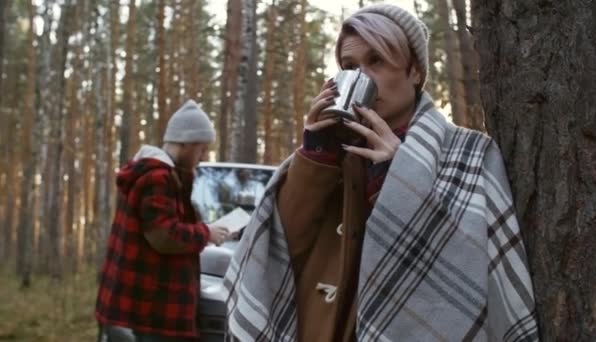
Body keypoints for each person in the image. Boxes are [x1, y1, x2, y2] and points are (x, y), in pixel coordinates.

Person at [223, 4, 539, 342]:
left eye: (376, 61)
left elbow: (466, 268)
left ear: (415, 71)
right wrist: (315, 158)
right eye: (349, 67)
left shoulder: (468, 152)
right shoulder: (333, 152)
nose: (362, 77)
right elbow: (276, 249)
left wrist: (399, 176)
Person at [95, 100, 230, 341]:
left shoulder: (162, 176)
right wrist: (205, 233)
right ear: (185, 144)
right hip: (147, 316)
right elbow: (164, 235)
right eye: (202, 148)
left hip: (142, 311)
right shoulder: (157, 177)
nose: (204, 156)